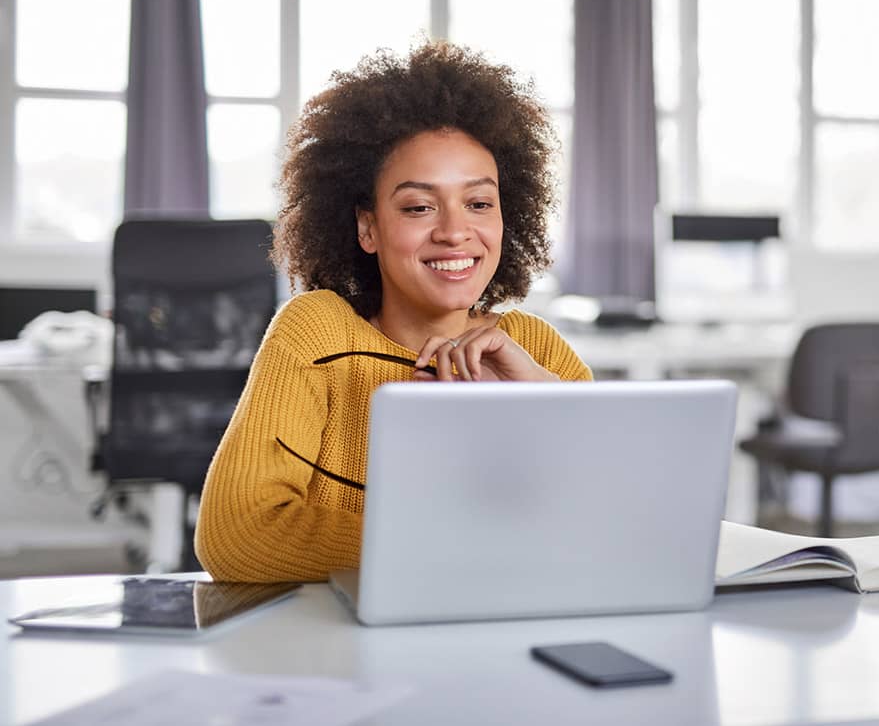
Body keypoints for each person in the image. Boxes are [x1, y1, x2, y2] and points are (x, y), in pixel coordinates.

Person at [194, 41, 592, 582]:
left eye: (479, 203)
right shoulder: (316, 334)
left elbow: (612, 528)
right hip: (340, 653)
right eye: (418, 207)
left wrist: (545, 405)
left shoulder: (535, 349)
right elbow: (238, 534)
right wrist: (466, 547)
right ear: (368, 227)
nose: (455, 231)